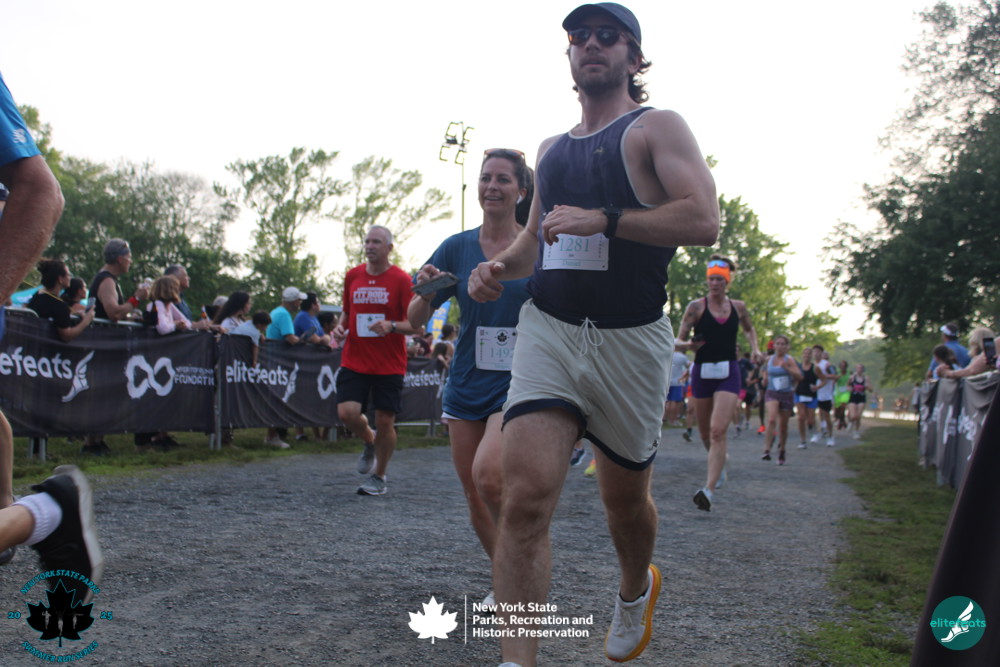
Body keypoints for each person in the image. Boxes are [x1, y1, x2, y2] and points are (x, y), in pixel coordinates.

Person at [467, 5, 719, 664]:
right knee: (524, 498)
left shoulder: (656, 127)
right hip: (550, 332)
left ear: (634, 58)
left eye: (609, 36)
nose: (592, 45)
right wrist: (496, 269)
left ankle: (636, 588)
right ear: (569, 56)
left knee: (624, 503)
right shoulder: (551, 150)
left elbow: (702, 218)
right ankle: (516, 659)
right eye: (579, 36)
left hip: (630, 340)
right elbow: (534, 242)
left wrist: (605, 218)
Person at [407, 147, 533, 608]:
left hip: (518, 382)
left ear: (522, 191)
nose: (491, 187)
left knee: (491, 478)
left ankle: (520, 566)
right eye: (485, 178)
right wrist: (426, 290)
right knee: (475, 494)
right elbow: (416, 320)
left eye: (503, 179)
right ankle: (508, 578)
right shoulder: (455, 247)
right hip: (466, 381)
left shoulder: (535, 248)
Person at [0, 71, 102, 598]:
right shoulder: (47, 299)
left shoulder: (49, 297)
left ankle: (32, 512)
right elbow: (66, 327)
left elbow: (41, 191)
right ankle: (33, 514)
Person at [334, 226, 422, 496]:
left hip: (388, 363)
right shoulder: (353, 275)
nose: (370, 246)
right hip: (355, 359)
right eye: (367, 241)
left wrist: (391, 325)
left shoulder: (402, 280)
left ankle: (379, 476)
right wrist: (339, 328)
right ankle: (369, 439)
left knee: (385, 420)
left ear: (389, 248)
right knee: (347, 413)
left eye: (376, 242)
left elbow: (416, 326)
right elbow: (347, 312)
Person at [676, 255, 762, 511]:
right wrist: (689, 345)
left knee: (717, 431)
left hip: (728, 372)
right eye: (711, 279)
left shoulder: (738, 307)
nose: (714, 284)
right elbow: (678, 340)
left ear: (727, 282)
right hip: (702, 373)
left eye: (719, 280)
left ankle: (709, 490)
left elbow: (749, 329)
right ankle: (720, 462)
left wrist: (755, 349)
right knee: (705, 433)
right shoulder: (695, 307)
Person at [261, 287, 307, 449]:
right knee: (278, 397)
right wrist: (303, 341)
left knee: (276, 397)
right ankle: (272, 436)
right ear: (293, 301)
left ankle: (274, 434)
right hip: (278, 362)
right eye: (299, 300)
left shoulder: (276, 311)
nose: (299, 304)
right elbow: (291, 339)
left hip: (273, 360)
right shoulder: (284, 315)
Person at [26, 259, 95, 341]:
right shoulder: (59, 305)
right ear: (60, 279)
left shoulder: (37, 296)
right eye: (68, 275)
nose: (70, 278)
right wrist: (86, 321)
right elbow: (67, 336)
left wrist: (73, 313)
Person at [760, 335, 803, 465]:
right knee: (772, 419)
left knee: (783, 426)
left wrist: (787, 368)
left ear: (787, 347)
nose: (780, 346)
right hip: (772, 392)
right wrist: (764, 379)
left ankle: (782, 450)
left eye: (783, 344)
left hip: (786, 394)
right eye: (778, 344)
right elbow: (764, 371)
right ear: (774, 346)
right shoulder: (769, 359)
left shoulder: (789, 360)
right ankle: (767, 449)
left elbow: (799, 377)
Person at [90, 238, 149, 322]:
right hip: (102, 330)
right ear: (120, 259)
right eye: (129, 257)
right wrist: (137, 299)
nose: (130, 261)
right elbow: (115, 314)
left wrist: (132, 319)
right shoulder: (107, 281)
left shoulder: (105, 278)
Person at [812, 344, 839, 447]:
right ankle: (817, 433)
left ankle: (831, 437)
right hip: (815, 392)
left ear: (821, 353)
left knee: (826, 416)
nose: (816, 354)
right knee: (814, 414)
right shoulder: (813, 365)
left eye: (818, 352)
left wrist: (823, 376)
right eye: (814, 352)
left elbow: (835, 376)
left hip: (826, 393)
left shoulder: (826, 364)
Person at [793, 347, 817, 449]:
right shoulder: (798, 367)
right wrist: (793, 388)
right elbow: (794, 379)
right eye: (805, 353)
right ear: (802, 355)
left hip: (811, 395)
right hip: (799, 394)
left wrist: (817, 387)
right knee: (801, 417)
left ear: (811, 356)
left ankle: (814, 431)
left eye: (809, 353)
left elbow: (824, 379)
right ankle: (803, 440)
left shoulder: (815, 368)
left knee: (810, 419)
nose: (807, 355)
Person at [663, 349, 690, 426]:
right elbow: (689, 366)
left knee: (667, 401)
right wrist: (685, 376)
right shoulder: (682, 357)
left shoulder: (666, 354)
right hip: (677, 382)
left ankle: (664, 418)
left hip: (667, 381)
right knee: (675, 402)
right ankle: (673, 420)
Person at [846, 363, 872, 439]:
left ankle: (856, 431)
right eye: (858, 368)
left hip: (861, 398)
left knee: (858, 416)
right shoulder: (852, 377)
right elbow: (847, 385)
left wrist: (868, 387)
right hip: (853, 398)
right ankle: (851, 422)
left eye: (861, 368)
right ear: (856, 369)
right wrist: (849, 388)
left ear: (863, 370)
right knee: (853, 416)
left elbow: (870, 389)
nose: (859, 370)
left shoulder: (866, 378)